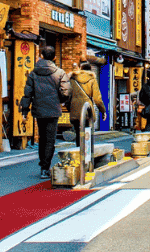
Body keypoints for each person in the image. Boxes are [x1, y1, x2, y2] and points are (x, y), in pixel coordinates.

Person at [19, 45, 71, 179]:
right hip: (53, 110)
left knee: (42, 138)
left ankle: (43, 165)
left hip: (39, 109)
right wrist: (60, 100)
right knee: (50, 140)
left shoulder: (33, 73)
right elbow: (66, 91)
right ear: (54, 57)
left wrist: (25, 110)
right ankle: (45, 168)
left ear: (41, 56)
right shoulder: (60, 73)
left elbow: (27, 93)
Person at [68, 61, 106, 147]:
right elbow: (97, 99)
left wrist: (70, 107)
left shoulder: (72, 79)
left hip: (75, 110)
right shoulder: (92, 79)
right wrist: (103, 111)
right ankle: (87, 152)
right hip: (88, 111)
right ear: (90, 70)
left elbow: (68, 95)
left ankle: (79, 150)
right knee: (88, 133)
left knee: (78, 133)